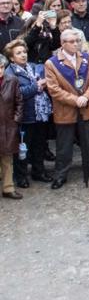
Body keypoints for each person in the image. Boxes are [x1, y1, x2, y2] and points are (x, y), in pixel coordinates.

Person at [43, 28, 89, 189]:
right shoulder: (52, 63)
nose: (76, 44)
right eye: (72, 42)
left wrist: (86, 97)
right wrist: (75, 100)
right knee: (64, 145)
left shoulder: (86, 57)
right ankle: (61, 174)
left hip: (86, 106)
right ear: (63, 44)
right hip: (65, 111)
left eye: (78, 41)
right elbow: (54, 89)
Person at [5, 40, 51, 187]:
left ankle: (39, 171)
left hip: (40, 114)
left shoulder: (33, 67)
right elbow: (17, 93)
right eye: (18, 53)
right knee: (23, 148)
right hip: (24, 116)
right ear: (11, 57)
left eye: (24, 52)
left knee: (39, 145)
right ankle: (21, 176)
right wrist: (37, 86)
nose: (23, 55)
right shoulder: (9, 72)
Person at [0, 60, 22, 200]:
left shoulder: (12, 80)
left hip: (8, 126)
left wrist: (16, 120)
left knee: (7, 158)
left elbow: (19, 102)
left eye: (1, 66)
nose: (0, 70)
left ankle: (8, 187)